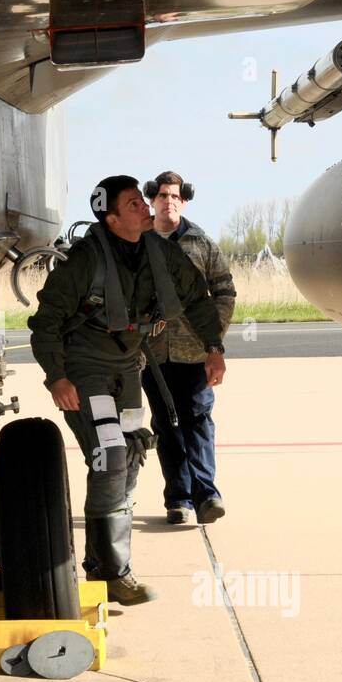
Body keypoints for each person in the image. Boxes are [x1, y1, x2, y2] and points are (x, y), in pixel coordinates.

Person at [28, 175, 226, 605]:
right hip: (86, 369)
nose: (145, 208)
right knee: (110, 455)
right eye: (134, 204)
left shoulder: (161, 253)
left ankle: (100, 568)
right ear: (113, 218)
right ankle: (117, 573)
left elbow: (197, 298)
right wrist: (57, 377)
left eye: (143, 201)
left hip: (128, 369)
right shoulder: (83, 261)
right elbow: (45, 323)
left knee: (131, 454)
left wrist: (213, 348)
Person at [140, 171, 237, 525]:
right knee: (166, 426)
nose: (169, 201)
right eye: (163, 195)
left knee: (197, 421)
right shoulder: (137, 241)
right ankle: (179, 500)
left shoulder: (201, 244)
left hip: (195, 354)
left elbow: (224, 292)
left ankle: (207, 494)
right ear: (152, 199)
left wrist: (215, 346)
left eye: (175, 196)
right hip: (151, 356)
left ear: (184, 200)